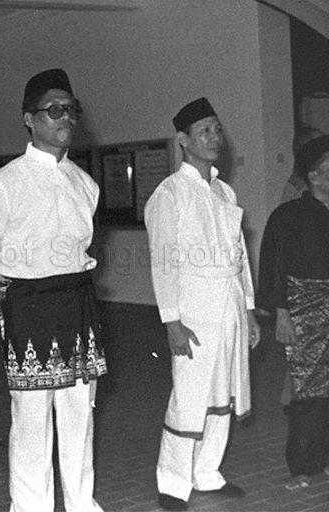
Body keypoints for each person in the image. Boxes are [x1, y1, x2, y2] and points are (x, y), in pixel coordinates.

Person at [0, 68, 107, 512]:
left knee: (78, 415)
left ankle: (82, 502)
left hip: (78, 306)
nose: (64, 117)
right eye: (53, 110)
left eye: (70, 109)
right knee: (30, 422)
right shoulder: (3, 185)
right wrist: (11, 305)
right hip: (28, 309)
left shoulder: (85, 184)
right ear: (29, 119)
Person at [144, 97, 260, 512]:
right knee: (190, 395)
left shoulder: (224, 192)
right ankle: (173, 482)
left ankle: (207, 473)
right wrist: (171, 322)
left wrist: (247, 309)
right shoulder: (169, 195)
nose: (215, 138)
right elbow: (163, 262)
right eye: (205, 131)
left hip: (228, 305)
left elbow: (240, 255)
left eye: (217, 129)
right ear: (183, 140)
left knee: (223, 393)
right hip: (193, 309)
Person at [257, 134, 329, 491]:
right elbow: (275, 265)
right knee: (307, 389)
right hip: (305, 310)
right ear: (314, 175)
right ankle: (303, 465)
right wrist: (282, 312)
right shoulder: (287, 216)